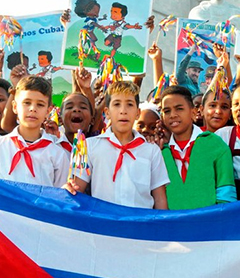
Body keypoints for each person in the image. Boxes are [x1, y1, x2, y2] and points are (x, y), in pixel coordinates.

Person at [64, 81, 170, 209]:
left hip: (140, 225)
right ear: (107, 112)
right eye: (117, 104)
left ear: (137, 112)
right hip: (103, 224)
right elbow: (77, 189)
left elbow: (160, 198)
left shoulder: (152, 151)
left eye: (129, 105)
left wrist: (162, 227)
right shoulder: (89, 146)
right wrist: (68, 190)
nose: (123, 111)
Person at [0, 76, 70, 187]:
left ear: (48, 111)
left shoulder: (57, 153)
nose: (33, 109)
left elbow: (61, 195)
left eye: (40, 104)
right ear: (15, 106)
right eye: (27, 103)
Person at [159, 86, 236, 209]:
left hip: (209, 223)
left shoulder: (215, 145)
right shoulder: (160, 151)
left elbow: (226, 194)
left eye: (179, 109)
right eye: (167, 111)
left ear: (193, 112)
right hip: (172, 225)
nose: (172, 115)